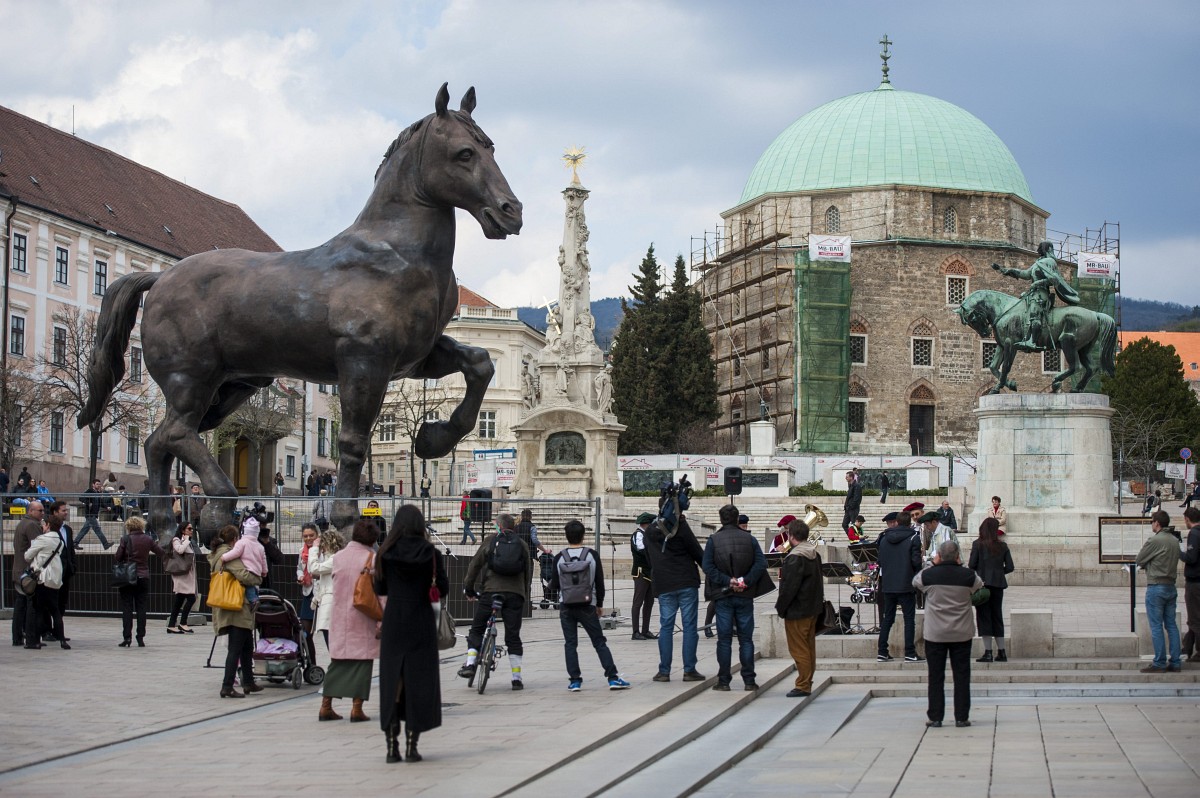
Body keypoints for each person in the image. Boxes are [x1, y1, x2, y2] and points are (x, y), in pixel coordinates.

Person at [372, 505, 447, 763]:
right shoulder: (432, 553)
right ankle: (412, 746)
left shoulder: (385, 552)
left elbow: (380, 588)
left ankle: (391, 746)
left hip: (394, 621)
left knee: (393, 680)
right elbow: (443, 587)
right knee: (419, 682)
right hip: (421, 620)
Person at [550, 519, 631, 691]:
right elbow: (599, 582)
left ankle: (575, 680)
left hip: (566, 605)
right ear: (583, 536)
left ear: (566, 536)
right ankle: (612, 678)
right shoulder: (591, 555)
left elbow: (554, 585)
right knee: (599, 641)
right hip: (588, 604)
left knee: (570, 643)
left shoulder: (559, 557)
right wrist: (599, 604)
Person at [914, 540, 984, 728]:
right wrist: (959, 565)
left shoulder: (929, 576)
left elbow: (916, 581)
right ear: (957, 556)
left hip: (935, 633)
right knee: (962, 675)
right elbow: (979, 584)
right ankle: (961, 717)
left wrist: (933, 564)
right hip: (961, 633)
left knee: (935, 676)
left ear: (938, 556)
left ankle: (936, 717)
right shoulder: (968, 576)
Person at [458, 513, 531, 689]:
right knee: (513, 636)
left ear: (498, 526)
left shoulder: (491, 541)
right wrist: (523, 594)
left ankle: (470, 663)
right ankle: (516, 678)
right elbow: (528, 572)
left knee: (477, 629)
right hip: (515, 594)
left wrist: (469, 588)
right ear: (513, 527)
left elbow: (475, 565)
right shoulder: (521, 545)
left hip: (491, 592)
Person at [321, 520, 383, 723]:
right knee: (363, 663)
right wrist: (383, 619)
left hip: (340, 615)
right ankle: (357, 709)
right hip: (363, 616)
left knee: (337, 662)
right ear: (373, 539)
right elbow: (381, 594)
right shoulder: (372, 559)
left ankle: (326, 706)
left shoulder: (338, 557)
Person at [702, 503, 768, 691]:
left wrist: (727, 581)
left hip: (723, 596)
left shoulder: (714, 540)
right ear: (738, 519)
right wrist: (745, 581)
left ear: (721, 519)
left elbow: (707, 566)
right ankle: (749, 681)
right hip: (745, 594)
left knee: (724, 640)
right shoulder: (750, 539)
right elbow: (761, 563)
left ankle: (724, 681)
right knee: (746, 639)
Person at [644, 509, 706, 683]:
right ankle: (689, 670)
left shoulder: (650, 530)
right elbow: (697, 552)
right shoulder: (681, 527)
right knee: (689, 627)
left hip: (664, 583)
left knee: (666, 627)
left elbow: (648, 556)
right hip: (686, 581)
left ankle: (664, 671)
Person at [991, 240, 1081, 351]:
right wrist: (1007, 270)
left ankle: (1032, 341)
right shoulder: (1038, 262)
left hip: (1041, 294)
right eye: (1051, 248)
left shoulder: (1050, 262)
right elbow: (1026, 274)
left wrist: (1038, 283)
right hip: (1033, 293)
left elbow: (1054, 280)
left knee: (1034, 312)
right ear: (1048, 249)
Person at [207, 524, 264, 697]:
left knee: (246, 645)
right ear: (234, 539)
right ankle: (227, 686)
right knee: (236, 648)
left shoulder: (218, 554)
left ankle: (248, 682)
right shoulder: (229, 556)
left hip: (230, 604)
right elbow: (243, 575)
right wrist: (258, 578)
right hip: (236, 606)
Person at [775, 518, 823, 697]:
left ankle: (803, 685)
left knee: (799, 648)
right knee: (809, 647)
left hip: (797, 610)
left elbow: (789, 587)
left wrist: (781, 607)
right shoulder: (813, 553)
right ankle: (807, 681)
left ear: (790, 535)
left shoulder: (795, 557)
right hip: (812, 608)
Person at [1136, 510, 1182, 673]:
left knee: (1156, 626)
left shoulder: (1154, 540)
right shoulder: (1174, 541)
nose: (1151, 524)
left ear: (1157, 523)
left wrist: (1148, 565)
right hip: (1171, 585)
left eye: (1152, 522)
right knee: (1172, 625)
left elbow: (1139, 559)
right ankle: (1176, 661)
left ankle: (1160, 662)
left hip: (1156, 586)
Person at [876, 510, 923, 663]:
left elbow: (880, 561)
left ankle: (882, 651)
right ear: (909, 523)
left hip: (888, 584)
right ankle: (910, 651)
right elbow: (916, 562)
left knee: (887, 618)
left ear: (897, 522)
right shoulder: (913, 538)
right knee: (909, 619)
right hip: (906, 583)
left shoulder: (883, 538)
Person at [114, 516, 166, 647]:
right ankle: (140, 637)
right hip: (143, 576)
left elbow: (118, 557)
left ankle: (127, 637)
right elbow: (161, 552)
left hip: (127, 577)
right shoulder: (148, 539)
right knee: (141, 608)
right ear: (141, 526)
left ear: (129, 527)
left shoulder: (125, 539)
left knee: (127, 608)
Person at [969, 517, 1014, 662]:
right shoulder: (1003, 546)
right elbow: (1010, 567)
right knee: (997, 616)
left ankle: (988, 652)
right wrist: (999, 573)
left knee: (984, 617)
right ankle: (1002, 652)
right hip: (998, 585)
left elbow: (971, 565)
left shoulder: (977, 544)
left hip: (982, 585)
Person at [24, 511, 69, 650]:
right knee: (55, 610)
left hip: (43, 578)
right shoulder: (60, 540)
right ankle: (62, 640)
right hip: (55, 580)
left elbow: (27, 555)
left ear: (48, 525)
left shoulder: (42, 539)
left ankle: (36, 641)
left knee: (39, 610)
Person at [11, 499, 45, 646]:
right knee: (30, 605)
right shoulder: (32, 525)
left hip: (18, 570)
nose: (42, 513)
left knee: (20, 605)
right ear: (31, 511)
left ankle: (17, 637)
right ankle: (31, 637)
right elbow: (37, 547)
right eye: (40, 511)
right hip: (27, 572)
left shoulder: (22, 523)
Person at [309, 527, 345, 652]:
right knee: (326, 630)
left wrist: (313, 549)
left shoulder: (335, 558)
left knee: (327, 630)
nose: (321, 549)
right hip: (327, 599)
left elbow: (314, 568)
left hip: (330, 600)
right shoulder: (332, 557)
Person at [45, 501, 75, 642]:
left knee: (62, 602)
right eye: (63, 510)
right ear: (55, 512)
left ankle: (58, 631)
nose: (66, 512)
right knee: (49, 603)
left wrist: (73, 566)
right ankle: (47, 631)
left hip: (65, 572)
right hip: (51, 573)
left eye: (66, 510)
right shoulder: (48, 529)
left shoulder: (68, 530)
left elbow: (70, 550)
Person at [221, 516, 268, 604]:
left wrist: (224, 557)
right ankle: (255, 597)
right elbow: (263, 560)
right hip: (257, 572)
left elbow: (235, 553)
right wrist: (264, 571)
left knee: (248, 586)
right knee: (254, 587)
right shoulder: (260, 546)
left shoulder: (242, 543)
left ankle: (253, 600)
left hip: (248, 571)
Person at [165, 521, 198, 634]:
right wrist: (186, 540)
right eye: (189, 528)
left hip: (187, 575)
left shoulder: (188, 541)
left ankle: (172, 625)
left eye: (192, 528)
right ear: (183, 530)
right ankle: (182, 623)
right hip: (181, 575)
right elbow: (179, 550)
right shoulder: (176, 540)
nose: (191, 530)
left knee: (179, 601)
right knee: (191, 598)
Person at [296, 523, 320, 667]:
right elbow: (299, 568)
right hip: (307, 592)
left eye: (311, 535)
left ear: (317, 535)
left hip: (320, 594)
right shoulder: (301, 551)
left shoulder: (322, 550)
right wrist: (300, 576)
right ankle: (312, 665)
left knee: (326, 632)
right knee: (305, 632)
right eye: (305, 536)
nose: (308, 538)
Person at [630, 512, 656, 640]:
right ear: (646, 524)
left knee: (649, 602)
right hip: (641, 572)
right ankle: (635, 631)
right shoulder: (638, 535)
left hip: (650, 572)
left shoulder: (647, 535)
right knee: (638, 602)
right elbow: (641, 549)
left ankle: (645, 630)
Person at [1179, 507, 1200, 663]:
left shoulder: (1194, 534)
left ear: (1187, 519)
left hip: (1194, 582)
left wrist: (1178, 551)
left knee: (1194, 617)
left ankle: (1198, 652)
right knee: (1195, 616)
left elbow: (1191, 557)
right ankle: (1187, 647)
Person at [74, 479, 112, 548]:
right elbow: (81, 497)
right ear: (93, 485)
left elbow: (101, 503)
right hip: (90, 514)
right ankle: (105, 544)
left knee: (84, 530)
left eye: (99, 484)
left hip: (93, 515)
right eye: (97, 484)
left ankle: (75, 543)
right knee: (97, 529)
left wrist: (107, 507)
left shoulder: (97, 493)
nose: (99, 485)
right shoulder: (90, 491)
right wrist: (89, 503)